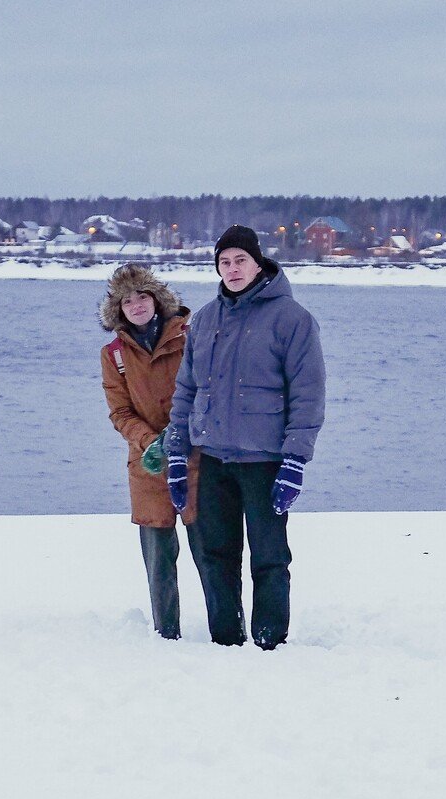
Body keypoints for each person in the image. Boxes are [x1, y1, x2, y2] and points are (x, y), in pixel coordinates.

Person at [167, 225, 326, 650]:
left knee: (269, 556)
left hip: (264, 461)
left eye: (241, 260)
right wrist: (177, 453)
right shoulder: (204, 320)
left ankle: (269, 641)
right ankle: (226, 639)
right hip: (213, 458)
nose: (233, 269)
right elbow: (186, 390)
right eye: (224, 262)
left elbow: (308, 394)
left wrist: (295, 462)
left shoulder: (292, 319)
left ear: (258, 264)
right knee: (215, 555)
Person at [98, 264, 202, 639]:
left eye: (142, 296)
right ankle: (166, 635)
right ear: (119, 310)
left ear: (157, 299)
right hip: (149, 465)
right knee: (159, 560)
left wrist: (182, 433)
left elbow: (209, 391)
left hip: (197, 460)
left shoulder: (190, 337)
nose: (137, 305)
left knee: (210, 552)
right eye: (127, 301)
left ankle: (226, 633)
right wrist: (150, 441)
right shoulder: (114, 355)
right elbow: (120, 412)